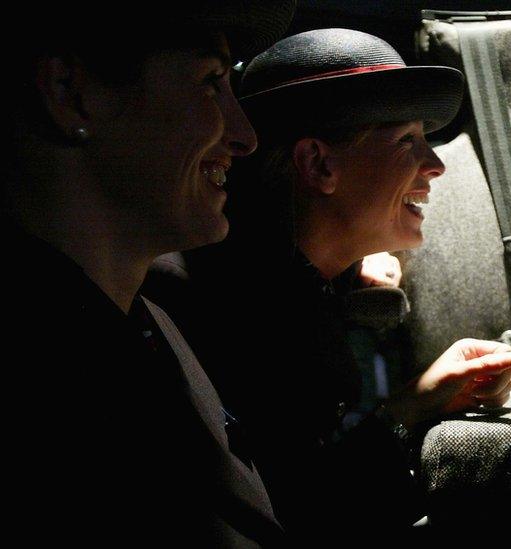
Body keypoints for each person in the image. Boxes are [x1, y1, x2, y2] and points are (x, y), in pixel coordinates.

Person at [144, 28, 511, 542]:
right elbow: (313, 512)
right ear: (319, 164)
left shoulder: (302, 288)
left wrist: (414, 398)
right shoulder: (219, 311)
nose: (435, 165)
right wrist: (404, 413)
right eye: (407, 140)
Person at [1, 1, 296, 545]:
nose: (245, 136)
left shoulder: (150, 321)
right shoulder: (30, 392)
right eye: (212, 82)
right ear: (70, 92)